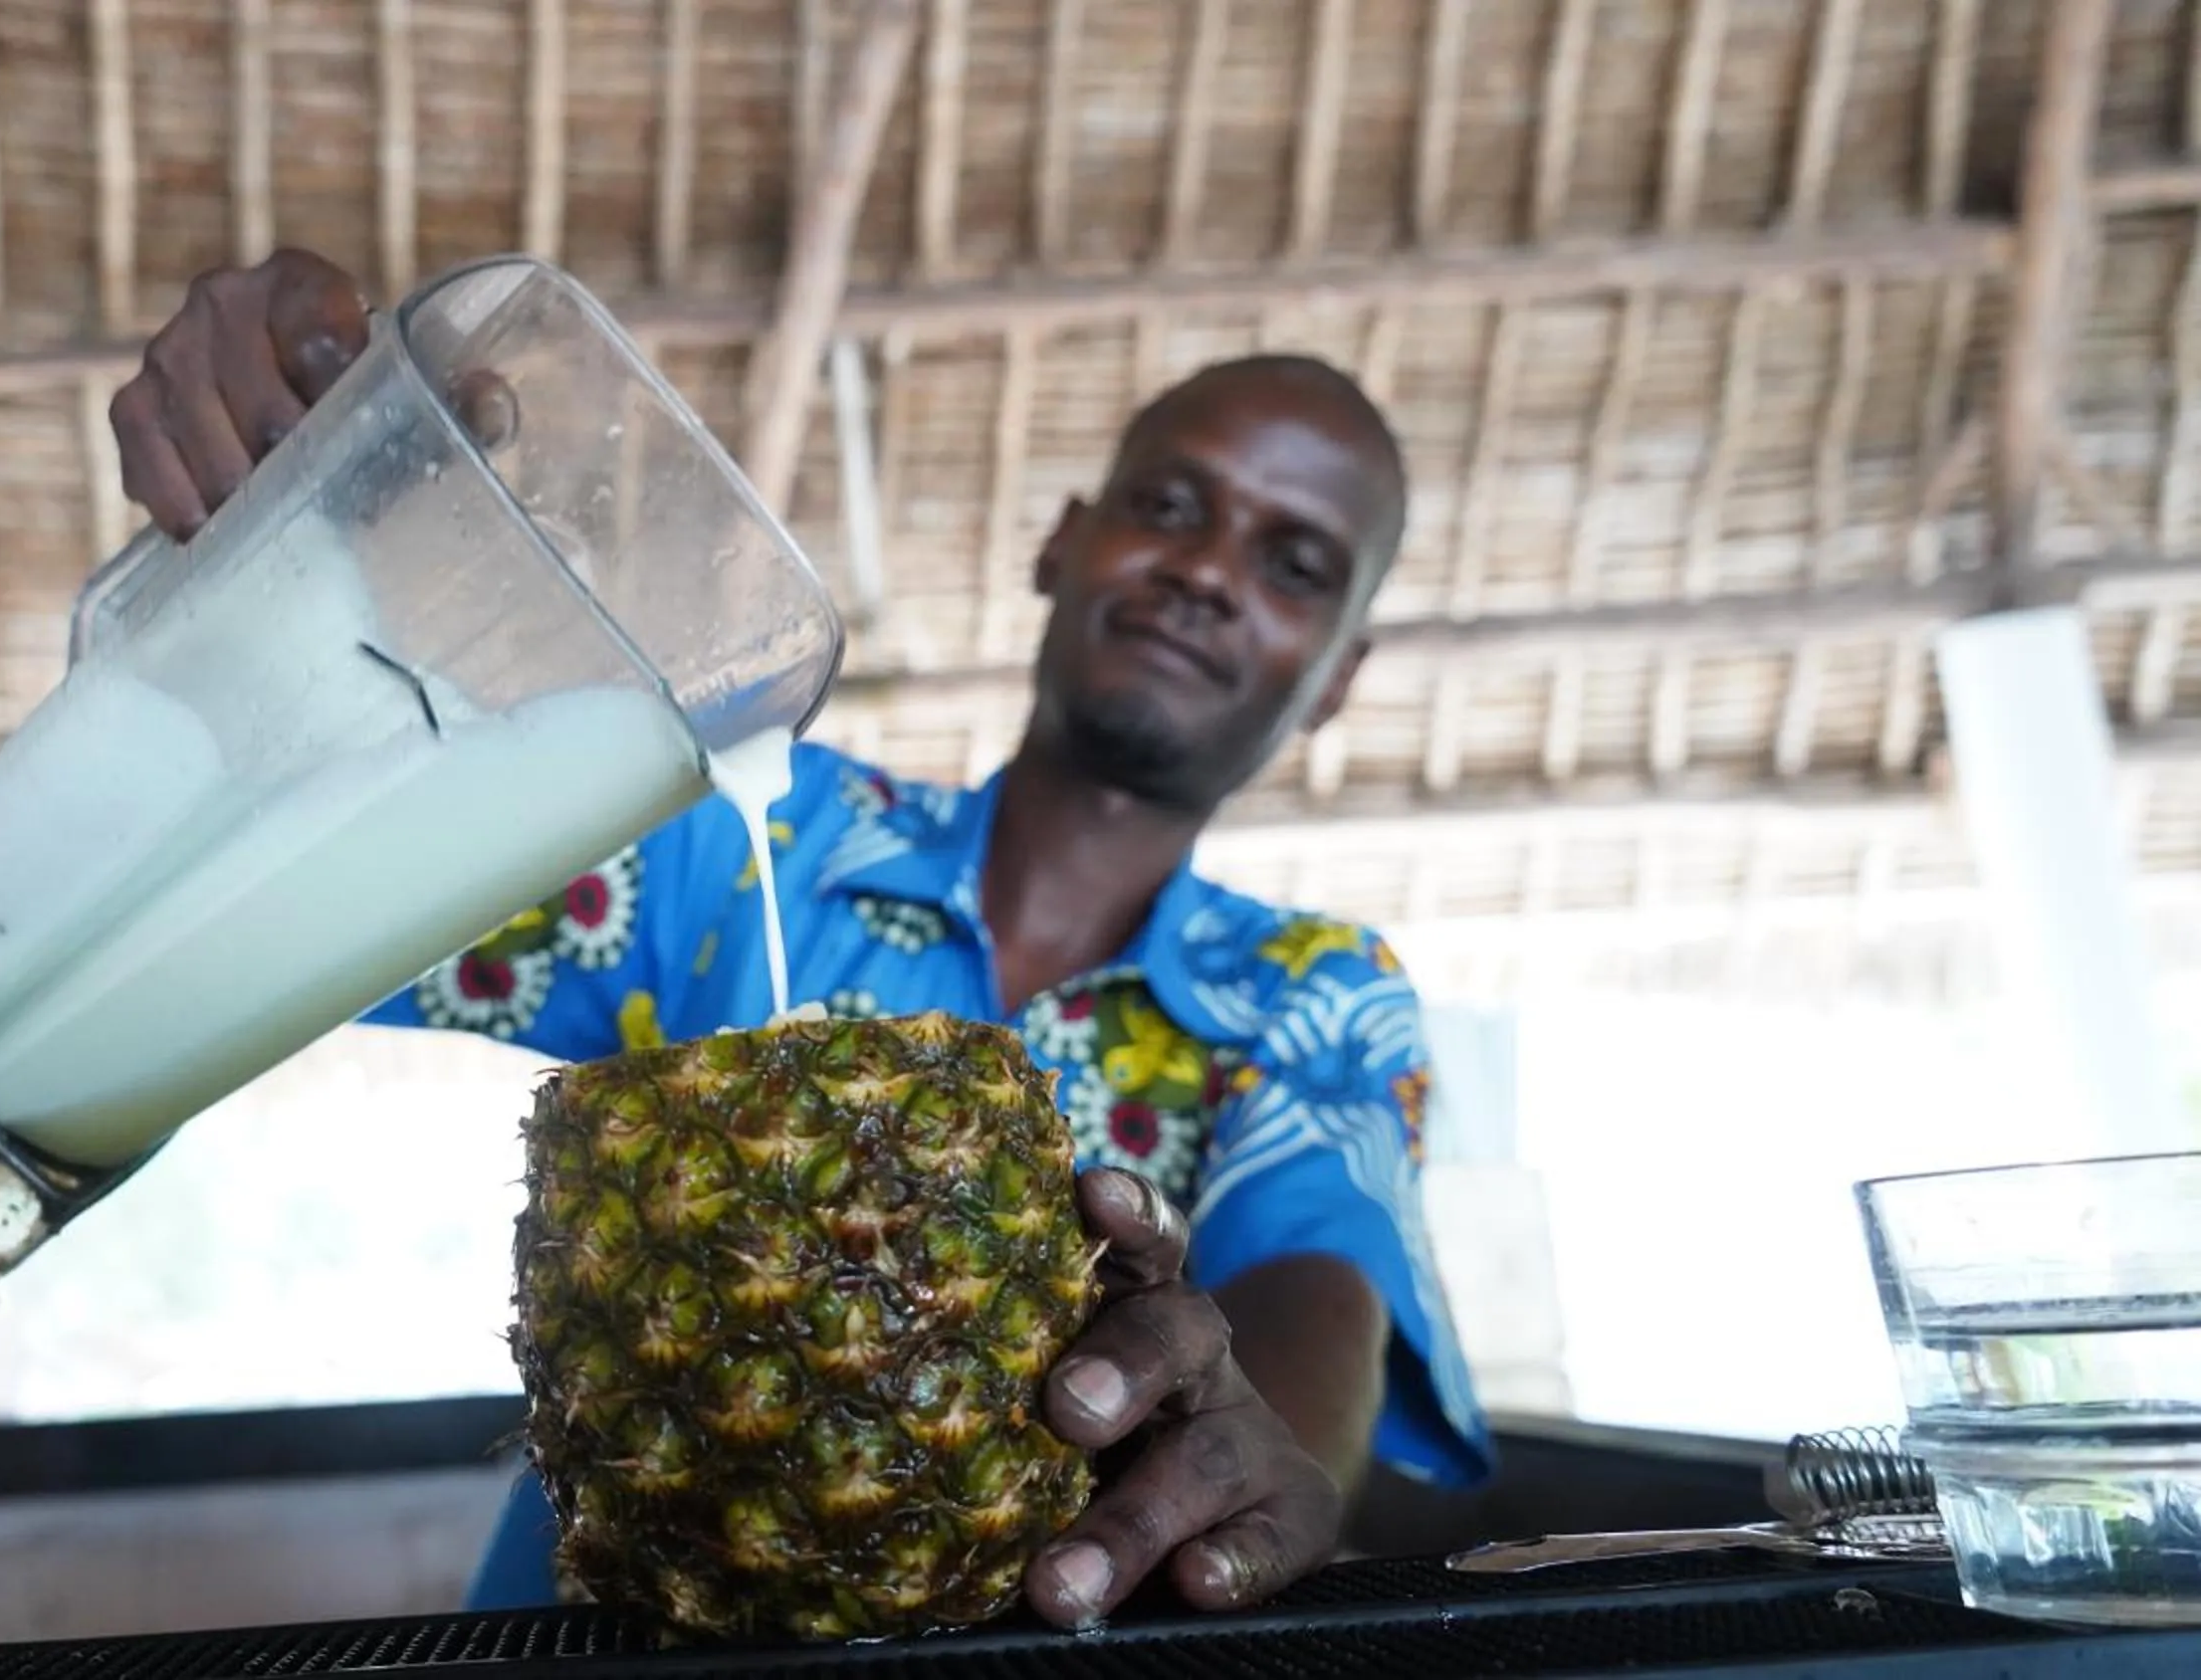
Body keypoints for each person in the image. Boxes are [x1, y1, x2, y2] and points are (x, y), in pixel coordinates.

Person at [107, 250, 1493, 1628]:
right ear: (1063, 543)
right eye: (1170, 506)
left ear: (1341, 676)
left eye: (1295, 562)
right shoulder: (741, 830)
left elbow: (1326, 1282)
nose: (1205, 570)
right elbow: (331, 836)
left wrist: (1261, 1460)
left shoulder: (1315, 994)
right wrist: (309, 510)